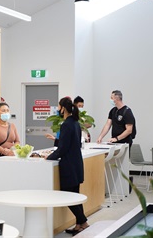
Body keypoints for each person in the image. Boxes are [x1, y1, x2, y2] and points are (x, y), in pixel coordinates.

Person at [46, 97, 89, 236]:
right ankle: (79, 225)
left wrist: (48, 158)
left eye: (58, 107)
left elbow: (63, 149)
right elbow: (69, 143)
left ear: (63, 108)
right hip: (76, 164)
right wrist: (56, 140)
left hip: (69, 166)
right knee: (75, 196)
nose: (58, 110)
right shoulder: (75, 123)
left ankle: (84, 222)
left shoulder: (66, 124)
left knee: (67, 197)